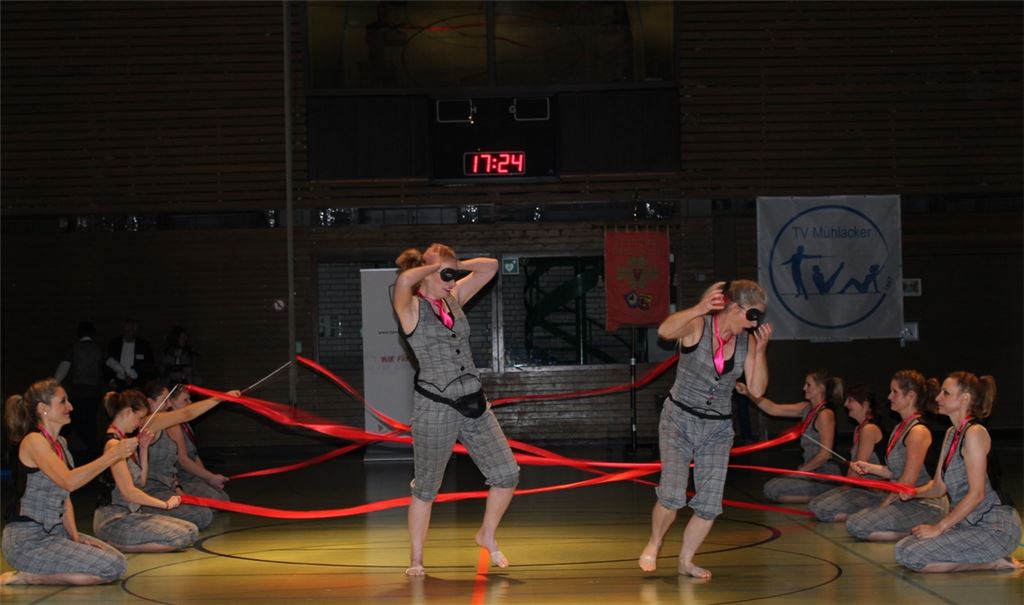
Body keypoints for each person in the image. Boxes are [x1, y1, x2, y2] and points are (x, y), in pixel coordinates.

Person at [393, 243, 518, 577]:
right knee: (426, 488)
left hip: (474, 401)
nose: (452, 280)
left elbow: (490, 265)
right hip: (435, 406)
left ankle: (486, 534)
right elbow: (405, 282)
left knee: (507, 474)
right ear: (426, 274)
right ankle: (416, 559)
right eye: (444, 275)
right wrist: (432, 269)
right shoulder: (411, 308)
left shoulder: (454, 299)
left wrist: (453, 266)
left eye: (453, 275)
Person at [638, 280, 771, 579]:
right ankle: (654, 543)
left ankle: (686, 561)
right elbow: (665, 331)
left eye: (759, 317)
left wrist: (760, 352)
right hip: (679, 420)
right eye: (752, 314)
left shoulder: (747, 341)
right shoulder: (699, 325)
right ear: (735, 308)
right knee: (672, 493)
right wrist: (698, 308)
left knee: (709, 504)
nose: (755, 322)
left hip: (718, 428)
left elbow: (758, 389)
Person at [0, 379, 137, 586]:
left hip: (57, 534)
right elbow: (69, 482)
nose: (70, 407)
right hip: (28, 541)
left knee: (117, 561)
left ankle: (40, 571)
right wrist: (113, 454)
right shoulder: (33, 441)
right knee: (110, 567)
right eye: (63, 402)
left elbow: (65, 499)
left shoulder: (60, 444)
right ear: (43, 409)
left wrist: (74, 536)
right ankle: (29, 576)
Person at [894, 372, 1022, 572]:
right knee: (902, 549)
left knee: (913, 556)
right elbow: (938, 486)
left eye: (945, 393)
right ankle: (987, 558)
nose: (937, 398)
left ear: (965, 398)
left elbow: (977, 494)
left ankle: (995, 561)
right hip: (968, 523)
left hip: (993, 527)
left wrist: (938, 527)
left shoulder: (975, 434)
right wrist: (914, 492)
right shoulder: (951, 434)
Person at [845, 370, 948, 540]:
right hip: (903, 499)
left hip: (923, 504)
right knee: (856, 520)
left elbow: (907, 481)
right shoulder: (899, 428)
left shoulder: (918, 431)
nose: (889, 397)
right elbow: (895, 471)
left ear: (911, 396)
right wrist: (869, 467)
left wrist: (885, 504)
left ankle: (932, 529)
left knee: (857, 525)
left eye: (895, 392)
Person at [93, 390, 198, 552]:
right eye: (140, 417)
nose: (140, 423)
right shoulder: (113, 445)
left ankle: (122, 542)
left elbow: (141, 482)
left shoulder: (125, 441)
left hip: (132, 514)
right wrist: (165, 505)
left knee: (191, 531)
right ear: (128, 412)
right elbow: (129, 493)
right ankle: (115, 545)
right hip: (114, 519)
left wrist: (143, 449)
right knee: (179, 537)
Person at [137, 380, 238, 530]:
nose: (169, 405)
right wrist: (221, 397)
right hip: (151, 489)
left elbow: (172, 466)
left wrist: (178, 489)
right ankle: (144, 510)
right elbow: (187, 414)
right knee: (203, 516)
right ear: (150, 402)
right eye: (165, 401)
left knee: (209, 509)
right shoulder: (151, 421)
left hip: (167, 487)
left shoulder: (165, 423)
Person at [741, 370, 844, 503]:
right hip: (811, 470)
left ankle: (825, 496)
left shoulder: (825, 414)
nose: (804, 388)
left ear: (820, 388)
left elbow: (825, 454)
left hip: (825, 472)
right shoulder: (806, 408)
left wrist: (799, 472)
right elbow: (773, 409)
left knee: (773, 490)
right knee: (772, 488)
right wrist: (749, 393)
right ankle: (823, 497)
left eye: (808, 385)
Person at [808, 384, 885, 522]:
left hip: (873, 492)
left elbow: (858, 468)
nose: (845, 404)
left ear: (865, 404)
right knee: (814, 504)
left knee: (822, 509)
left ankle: (870, 512)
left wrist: (845, 489)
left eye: (850, 400)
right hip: (860, 488)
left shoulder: (869, 429)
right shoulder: (859, 429)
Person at [165, 386, 230, 502]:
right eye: (185, 400)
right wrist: (210, 478)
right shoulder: (172, 425)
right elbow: (183, 460)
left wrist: (207, 477)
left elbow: (194, 455)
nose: (190, 403)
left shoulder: (185, 424)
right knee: (218, 501)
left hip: (191, 475)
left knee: (223, 498)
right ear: (171, 402)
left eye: (189, 399)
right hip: (181, 478)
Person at [55, 321, 108, 459]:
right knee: (90, 423)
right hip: (94, 394)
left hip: (77, 394)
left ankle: (87, 450)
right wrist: (124, 373)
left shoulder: (73, 348)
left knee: (76, 422)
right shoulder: (98, 348)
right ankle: (93, 450)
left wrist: (53, 384)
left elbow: (63, 369)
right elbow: (111, 363)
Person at [106, 319, 155, 391]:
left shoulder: (144, 345)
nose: (127, 333)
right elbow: (107, 363)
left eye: (130, 330)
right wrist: (111, 380)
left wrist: (142, 383)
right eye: (125, 330)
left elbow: (149, 365)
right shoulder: (114, 344)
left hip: (137, 384)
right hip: (118, 383)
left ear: (135, 331)